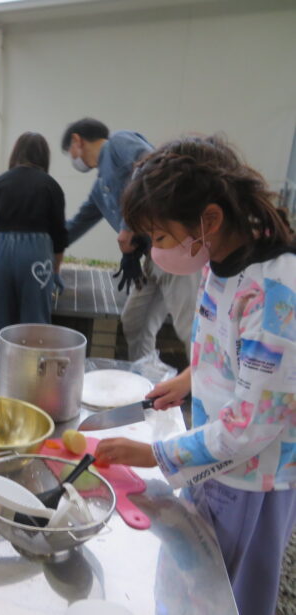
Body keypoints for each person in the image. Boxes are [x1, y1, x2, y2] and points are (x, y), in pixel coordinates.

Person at [95, 136, 295, 615]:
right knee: (192, 587)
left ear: (209, 220)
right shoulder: (219, 261)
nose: (157, 251)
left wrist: (151, 454)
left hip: (252, 480)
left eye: (160, 238)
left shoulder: (274, 293)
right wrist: (188, 380)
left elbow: (250, 424)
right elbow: (221, 346)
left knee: (229, 597)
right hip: (212, 459)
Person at [63, 117, 200, 361]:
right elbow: (76, 224)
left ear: (77, 140)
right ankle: (148, 378)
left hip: (175, 248)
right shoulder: (100, 187)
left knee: (189, 328)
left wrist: (128, 226)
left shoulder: (118, 142)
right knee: (135, 321)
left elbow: (151, 165)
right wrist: (43, 237)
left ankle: (207, 388)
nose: (73, 159)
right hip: (151, 258)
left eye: (69, 152)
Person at [0, 132, 67, 367]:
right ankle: (33, 386)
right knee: (36, 327)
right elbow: (59, 238)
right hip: (36, 255)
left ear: (15, 154)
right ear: (44, 157)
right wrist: (54, 272)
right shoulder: (50, 186)